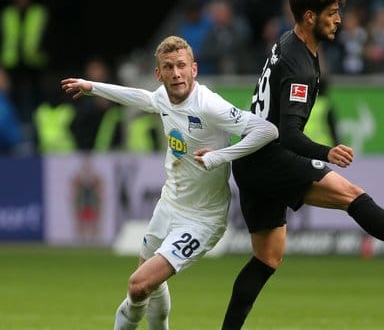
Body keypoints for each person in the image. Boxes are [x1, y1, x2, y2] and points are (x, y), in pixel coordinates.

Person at [221, 0, 384, 330]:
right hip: (267, 156)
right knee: (351, 195)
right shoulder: (299, 66)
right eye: (332, 13)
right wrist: (328, 152)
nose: (339, 20)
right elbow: (289, 135)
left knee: (267, 257)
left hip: (250, 158)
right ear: (310, 17)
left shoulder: (288, 42)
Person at [60, 35, 278, 330]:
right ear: (158, 74)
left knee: (138, 285)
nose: (176, 73)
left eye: (181, 66)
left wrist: (221, 156)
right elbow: (145, 99)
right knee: (146, 286)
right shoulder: (163, 96)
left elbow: (266, 130)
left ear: (194, 69)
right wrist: (92, 87)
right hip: (168, 206)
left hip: (202, 219)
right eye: (168, 67)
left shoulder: (209, 105)